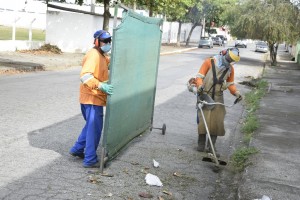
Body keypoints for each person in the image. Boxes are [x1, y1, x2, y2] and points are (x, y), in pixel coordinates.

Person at [69, 30, 113, 168]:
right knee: (94, 128)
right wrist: (100, 85)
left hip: (92, 97)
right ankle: (90, 160)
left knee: (90, 126)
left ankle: (77, 149)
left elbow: (107, 63)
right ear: (96, 41)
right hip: (92, 98)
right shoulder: (93, 55)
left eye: (109, 41)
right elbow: (85, 76)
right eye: (105, 41)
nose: (107, 44)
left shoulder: (101, 55)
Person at [188, 48, 243, 154]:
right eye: (228, 58)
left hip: (218, 96)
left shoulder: (230, 69)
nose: (229, 61)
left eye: (231, 60)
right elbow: (199, 77)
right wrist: (199, 86)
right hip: (205, 94)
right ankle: (201, 144)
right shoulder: (209, 61)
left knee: (217, 122)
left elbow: (230, 84)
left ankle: (211, 146)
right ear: (224, 53)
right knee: (203, 120)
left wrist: (236, 93)